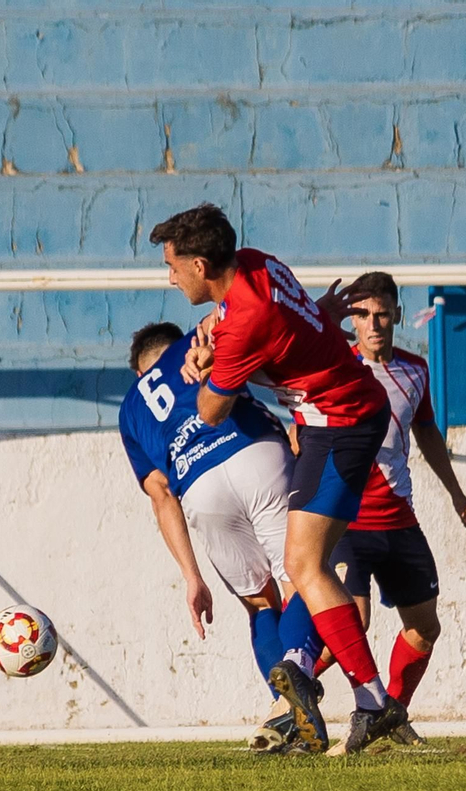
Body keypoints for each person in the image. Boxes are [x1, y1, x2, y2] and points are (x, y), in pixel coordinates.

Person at [153, 202, 402, 755]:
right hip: (325, 422)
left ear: (200, 264)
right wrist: (210, 350)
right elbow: (275, 332)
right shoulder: (257, 264)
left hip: (345, 422)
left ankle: (368, 699)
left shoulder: (246, 317)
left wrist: (204, 369)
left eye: (173, 266)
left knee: (305, 566)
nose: (169, 277)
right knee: (303, 565)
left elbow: (212, 409)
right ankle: (326, 679)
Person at [118, 321, 325, 752]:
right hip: (253, 449)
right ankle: (296, 675)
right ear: (177, 347)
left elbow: (160, 496)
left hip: (197, 484)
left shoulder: (129, 410)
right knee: (305, 578)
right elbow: (251, 334)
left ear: (139, 374)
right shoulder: (195, 344)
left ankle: (288, 714)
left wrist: (192, 577)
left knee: (259, 604)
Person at [326, 272, 466, 746]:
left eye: (382, 315)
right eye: (363, 316)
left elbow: (427, 433)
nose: (374, 324)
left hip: (399, 521)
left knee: (424, 626)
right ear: (351, 321)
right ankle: (290, 705)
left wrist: (458, 495)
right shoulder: (336, 369)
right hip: (345, 521)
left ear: (397, 314)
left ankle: (390, 715)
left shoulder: (416, 370)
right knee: (351, 622)